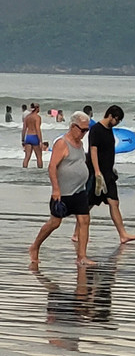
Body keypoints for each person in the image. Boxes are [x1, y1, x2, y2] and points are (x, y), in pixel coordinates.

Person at [29, 112, 94, 266]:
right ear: (73, 126)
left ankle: (82, 256)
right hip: (63, 192)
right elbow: (52, 167)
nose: (84, 133)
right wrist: (56, 189)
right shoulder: (62, 143)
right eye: (82, 130)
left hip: (79, 190)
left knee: (84, 220)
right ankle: (35, 246)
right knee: (55, 223)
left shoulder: (80, 144)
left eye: (87, 130)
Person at [86, 105, 135, 245]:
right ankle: (77, 233)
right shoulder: (96, 130)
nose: (117, 123)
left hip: (108, 173)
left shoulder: (109, 130)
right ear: (110, 115)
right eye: (116, 120)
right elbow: (93, 151)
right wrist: (97, 172)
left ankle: (123, 235)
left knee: (114, 202)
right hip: (97, 173)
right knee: (89, 204)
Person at [22, 102, 44, 168]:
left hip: (28, 137)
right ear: (36, 108)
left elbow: (24, 129)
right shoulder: (37, 117)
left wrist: (23, 139)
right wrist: (40, 141)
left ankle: (24, 170)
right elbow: (37, 129)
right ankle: (40, 171)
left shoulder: (27, 117)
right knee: (39, 157)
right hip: (35, 137)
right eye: (38, 107)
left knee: (27, 157)